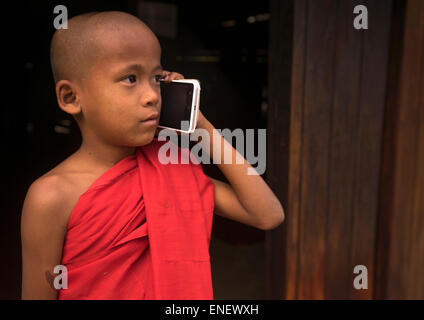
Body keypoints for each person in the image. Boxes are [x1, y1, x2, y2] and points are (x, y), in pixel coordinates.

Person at [20, 11, 285, 300]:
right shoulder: (50, 196)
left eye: (157, 78)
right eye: (130, 78)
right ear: (71, 97)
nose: (152, 95)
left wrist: (200, 126)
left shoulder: (171, 169)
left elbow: (267, 214)